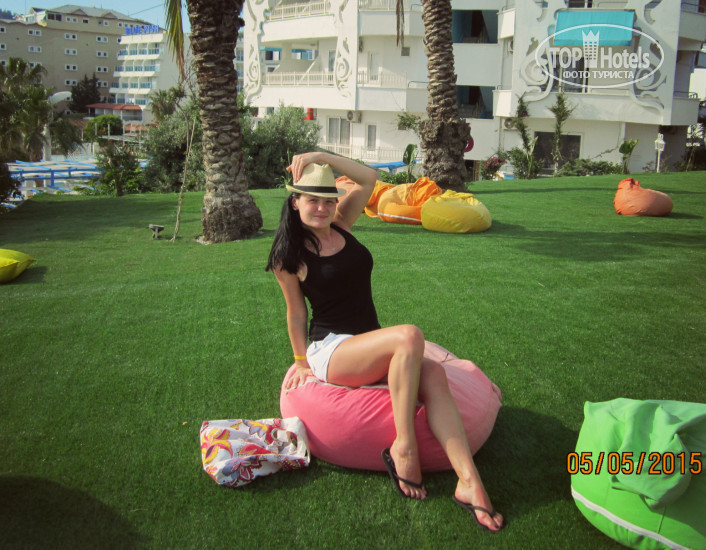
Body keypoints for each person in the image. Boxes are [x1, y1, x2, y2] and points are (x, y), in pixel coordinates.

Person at [266, 151, 504, 532]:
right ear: (295, 202)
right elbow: (296, 313)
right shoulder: (289, 255)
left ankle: (469, 481)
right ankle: (404, 447)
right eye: (312, 200)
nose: (322, 208)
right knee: (409, 335)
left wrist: (320, 156)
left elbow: (368, 178)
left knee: (434, 374)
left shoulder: (342, 224)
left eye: (328, 200)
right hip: (332, 349)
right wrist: (300, 361)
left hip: (367, 341)